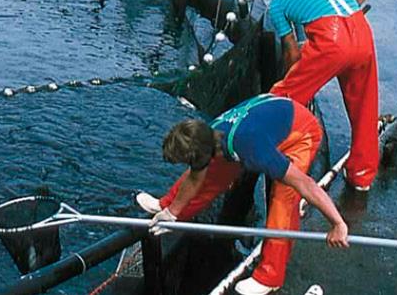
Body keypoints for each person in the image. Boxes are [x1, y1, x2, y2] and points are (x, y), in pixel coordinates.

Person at [136, 94, 349, 295]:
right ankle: (167, 208)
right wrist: (172, 212)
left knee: (283, 199)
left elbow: (306, 185)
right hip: (264, 116)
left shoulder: (255, 150)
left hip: (300, 131)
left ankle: (270, 277)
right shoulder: (208, 134)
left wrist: (337, 224)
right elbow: (195, 177)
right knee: (210, 175)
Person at [253, 0, 378, 191]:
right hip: (361, 32)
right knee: (365, 108)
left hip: (332, 43)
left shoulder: (278, 4)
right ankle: (361, 177)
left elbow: (290, 51)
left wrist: (293, 80)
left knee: (282, 96)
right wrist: (354, 8)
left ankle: (264, 147)